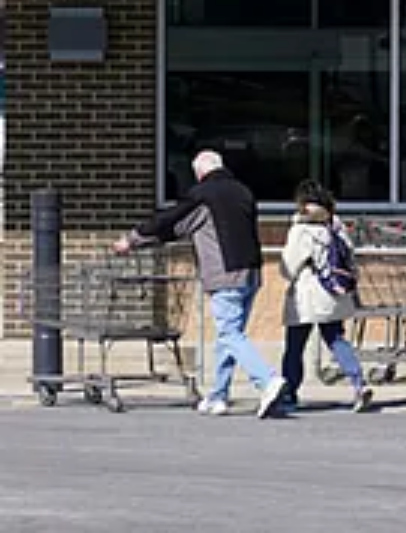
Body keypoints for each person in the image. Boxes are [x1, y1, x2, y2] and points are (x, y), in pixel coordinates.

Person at [116, 149, 286, 418]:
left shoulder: (204, 195)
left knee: (230, 334)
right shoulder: (243, 191)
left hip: (224, 273)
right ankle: (218, 395)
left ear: (199, 172)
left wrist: (134, 239)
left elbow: (171, 222)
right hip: (251, 272)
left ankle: (267, 380)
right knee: (230, 336)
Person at [276, 180, 373, 414]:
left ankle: (289, 392)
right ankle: (359, 383)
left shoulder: (301, 230)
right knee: (337, 339)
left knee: (295, 346)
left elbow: (288, 267)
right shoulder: (336, 228)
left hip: (307, 294)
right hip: (333, 293)